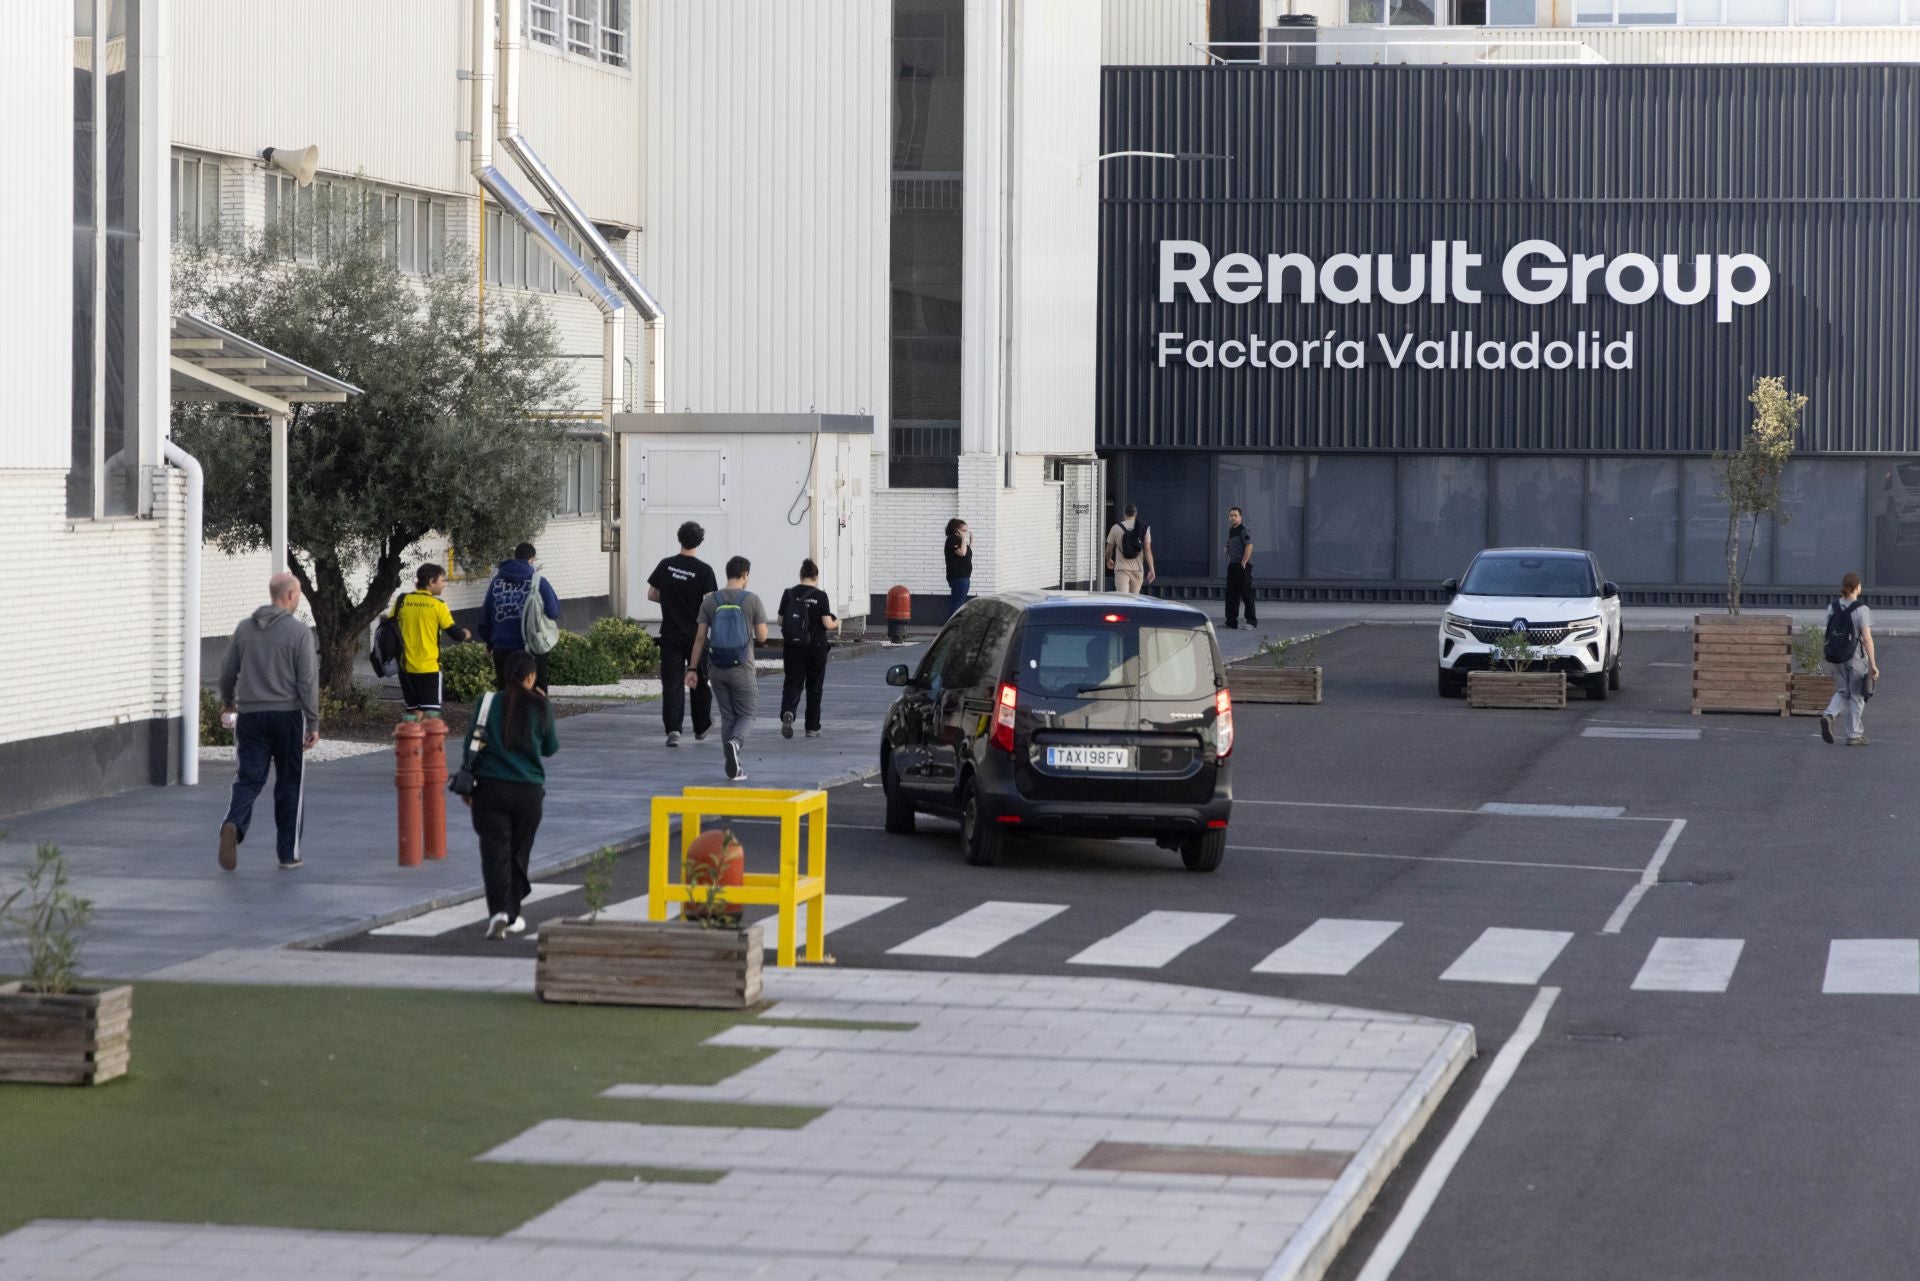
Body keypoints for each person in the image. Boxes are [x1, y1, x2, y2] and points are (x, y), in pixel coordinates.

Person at [216, 572, 320, 871]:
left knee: (248, 777)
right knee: (289, 783)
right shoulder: (299, 632)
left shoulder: (244, 629)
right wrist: (313, 722)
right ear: (289, 596)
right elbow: (307, 682)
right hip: (287, 716)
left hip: (250, 715)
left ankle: (233, 823)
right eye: (298, 593)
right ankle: (288, 854)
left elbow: (227, 671)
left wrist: (228, 702)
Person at [461, 651, 559, 938]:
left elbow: (471, 744)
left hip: (489, 790)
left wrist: (468, 784)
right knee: (518, 853)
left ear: (506, 676)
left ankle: (499, 912)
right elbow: (550, 748)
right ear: (531, 677)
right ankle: (513, 912)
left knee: (495, 854)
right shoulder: (540, 706)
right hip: (528, 792)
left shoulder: (487, 703)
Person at [688, 555, 768, 780]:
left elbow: (700, 638)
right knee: (748, 713)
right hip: (742, 666)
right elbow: (762, 636)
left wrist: (692, 669)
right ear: (745, 575)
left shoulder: (710, 600)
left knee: (727, 716)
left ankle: (732, 767)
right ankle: (736, 743)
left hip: (716, 667)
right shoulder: (751, 599)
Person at [648, 520, 719, 747]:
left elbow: (652, 594)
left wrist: (670, 599)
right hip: (695, 635)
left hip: (670, 633)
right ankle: (701, 726)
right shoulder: (705, 571)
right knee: (699, 679)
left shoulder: (666, 565)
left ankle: (673, 730)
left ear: (679, 538)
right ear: (699, 542)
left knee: (672, 684)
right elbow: (709, 605)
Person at [389, 563, 471, 715]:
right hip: (428, 668)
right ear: (431, 582)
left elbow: (389, 626)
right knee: (431, 712)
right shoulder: (438, 605)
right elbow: (455, 634)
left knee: (413, 709)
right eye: (442, 581)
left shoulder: (402, 601)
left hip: (406, 667)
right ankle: (428, 738)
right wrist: (465, 633)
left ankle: (409, 737)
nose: (444, 585)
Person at [479, 542, 560, 692]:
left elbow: (485, 616)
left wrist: (490, 643)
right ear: (531, 559)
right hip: (530, 647)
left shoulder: (497, 582)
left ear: (515, 557)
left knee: (506, 694)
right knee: (537, 692)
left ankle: (510, 716)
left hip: (502, 648)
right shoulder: (538, 581)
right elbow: (553, 612)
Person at [777, 558, 840, 739]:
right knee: (814, 686)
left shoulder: (788, 594)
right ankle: (812, 727)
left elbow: (781, 621)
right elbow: (827, 623)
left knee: (792, 682)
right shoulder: (821, 596)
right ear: (816, 577)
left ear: (801, 575)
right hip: (816, 647)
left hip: (793, 647)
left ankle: (788, 711)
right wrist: (837, 622)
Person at [1821, 571, 1879, 747]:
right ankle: (1854, 734)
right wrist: (1873, 664)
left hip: (1836, 655)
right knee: (1856, 695)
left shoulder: (1832, 607)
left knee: (1842, 692)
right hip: (1855, 658)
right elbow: (1867, 638)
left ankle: (1829, 714)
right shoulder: (1862, 609)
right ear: (1857, 587)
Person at [1106, 503, 1155, 594]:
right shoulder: (1144, 528)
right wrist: (1152, 569)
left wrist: (1109, 559)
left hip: (1121, 568)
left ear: (1124, 514)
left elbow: (1109, 548)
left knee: (1122, 599)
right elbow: (1147, 549)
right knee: (1134, 600)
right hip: (1138, 569)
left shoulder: (1116, 528)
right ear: (1135, 513)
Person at [1223, 507, 1257, 630]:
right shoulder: (1232, 531)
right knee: (1231, 594)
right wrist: (1227, 548)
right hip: (1232, 565)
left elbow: (1249, 546)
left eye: (1235, 515)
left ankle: (1251, 621)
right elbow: (1230, 543)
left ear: (1240, 517)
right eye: (1231, 515)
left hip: (1242, 566)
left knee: (1246, 593)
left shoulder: (1244, 530)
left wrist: (1244, 562)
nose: (1233, 517)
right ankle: (1231, 622)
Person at [944, 518, 973, 619]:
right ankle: (952, 627)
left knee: (960, 602)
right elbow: (962, 553)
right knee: (958, 604)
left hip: (964, 576)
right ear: (957, 530)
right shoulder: (952, 539)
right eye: (964, 531)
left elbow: (967, 553)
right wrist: (964, 538)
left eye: (967, 530)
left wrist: (970, 540)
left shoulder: (960, 540)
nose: (966, 533)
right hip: (958, 577)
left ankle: (954, 626)